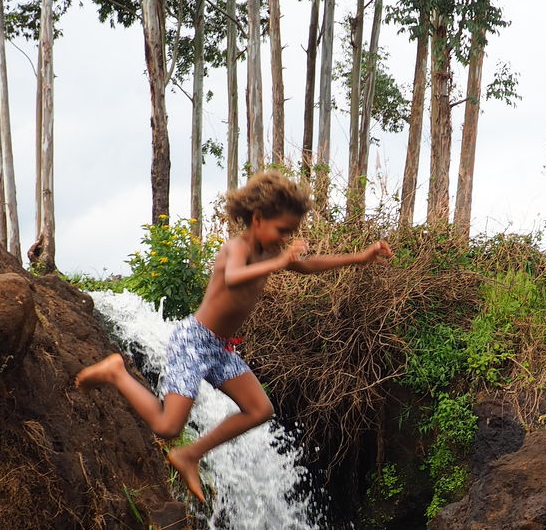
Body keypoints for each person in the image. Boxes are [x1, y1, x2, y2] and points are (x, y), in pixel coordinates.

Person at [76, 170, 393, 503]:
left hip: (220, 349)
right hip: (193, 342)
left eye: (291, 233)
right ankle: (116, 372)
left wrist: (360, 257)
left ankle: (190, 455)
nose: (286, 239)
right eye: (282, 230)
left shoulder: (271, 255)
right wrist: (280, 261)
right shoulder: (235, 248)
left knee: (260, 409)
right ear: (257, 219)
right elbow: (234, 276)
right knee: (168, 427)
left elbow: (308, 265)